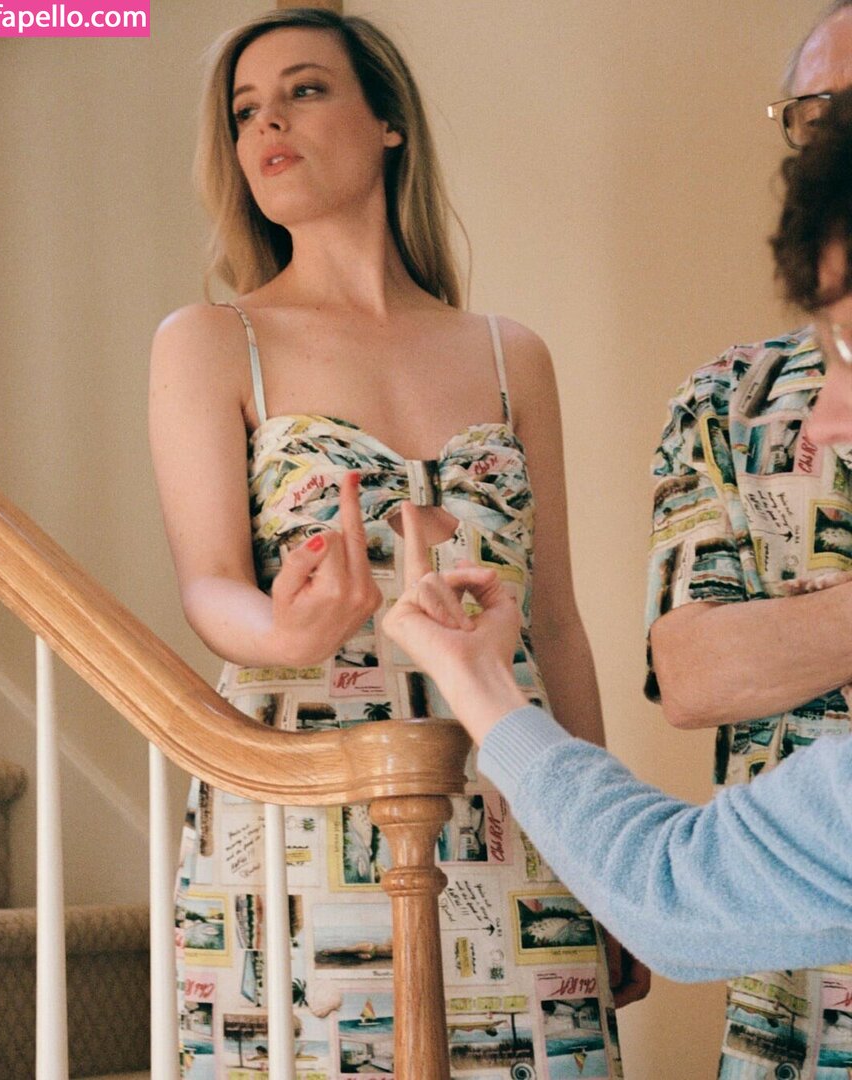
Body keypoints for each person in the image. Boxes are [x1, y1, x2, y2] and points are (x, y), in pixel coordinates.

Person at [148, 9, 643, 1078]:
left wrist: (606, 854)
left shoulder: (511, 355)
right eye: (244, 110)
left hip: (514, 800)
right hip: (304, 810)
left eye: (304, 89)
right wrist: (283, 633)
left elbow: (554, 624)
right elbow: (210, 586)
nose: (267, 122)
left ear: (388, 123)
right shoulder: (212, 341)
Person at [381, 86, 852, 987]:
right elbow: (693, 678)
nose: (823, 420)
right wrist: (484, 684)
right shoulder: (722, 400)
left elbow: (669, 896)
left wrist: (481, 687)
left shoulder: (509, 355)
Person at [645, 3, 852, 1075]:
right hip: (794, 990)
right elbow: (695, 673)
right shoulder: (730, 399)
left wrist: (797, 635)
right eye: (820, 113)